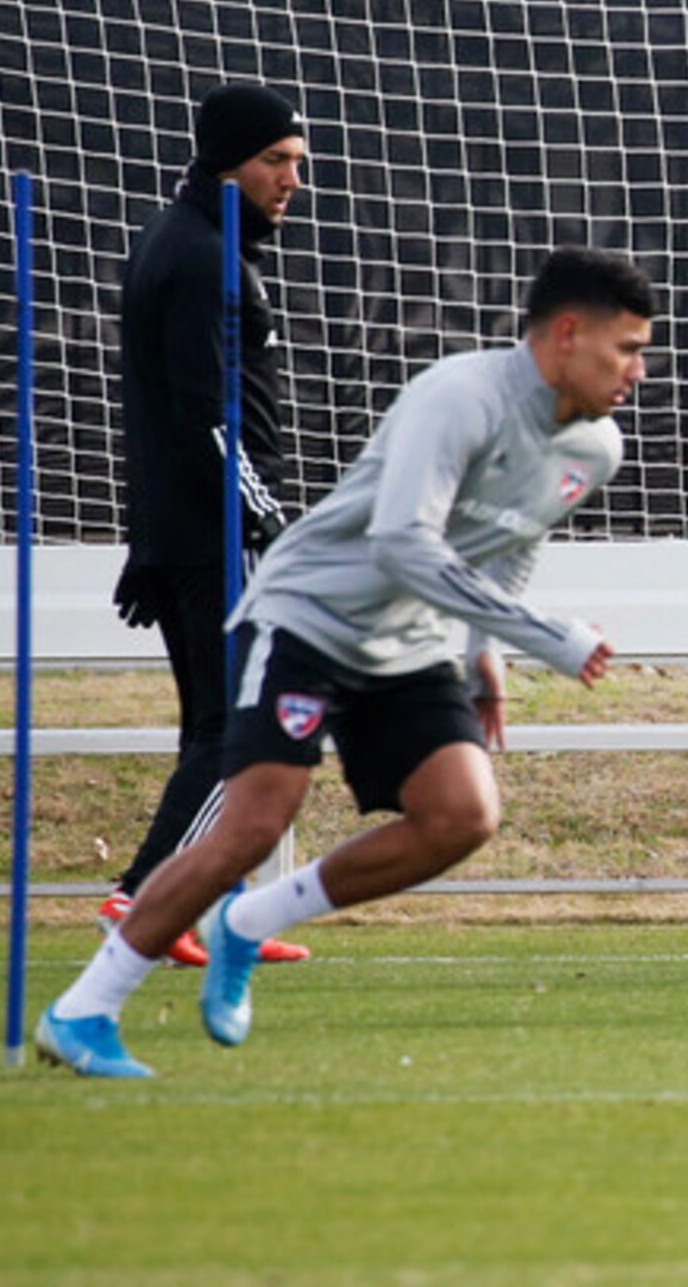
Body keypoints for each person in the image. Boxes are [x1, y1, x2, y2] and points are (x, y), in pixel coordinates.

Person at [36, 247, 653, 1079]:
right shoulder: (457, 396)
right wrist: (550, 636)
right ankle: (83, 1010)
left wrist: (485, 657)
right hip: (308, 619)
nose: (637, 372)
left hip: (411, 644)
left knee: (462, 816)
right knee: (254, 823)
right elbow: (402, 543)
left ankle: (247, 924)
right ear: (569, 334)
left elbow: (509, 548)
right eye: (627, 349)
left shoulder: (596, 449)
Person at [105, 84, 319, 968]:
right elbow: (204, 413)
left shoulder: (187, 238)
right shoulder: (200, 256)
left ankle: (220, 907)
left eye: (298, 163)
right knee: (239, 734)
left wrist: (147, 536)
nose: (291, 180)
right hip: (219, 530)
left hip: (185, 527)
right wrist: (270, 521)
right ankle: (147, 896)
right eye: (276, 161)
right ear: (226, 161)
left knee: (217, 728)